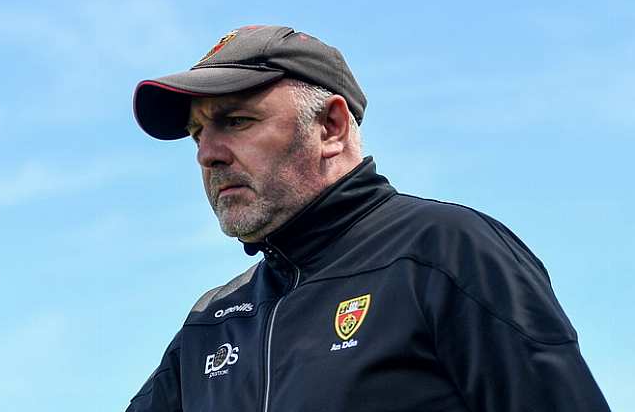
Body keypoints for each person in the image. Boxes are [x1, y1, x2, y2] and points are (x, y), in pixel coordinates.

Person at [127, 25, 610, 411]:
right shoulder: (214, 320)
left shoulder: (445, 252)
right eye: (196, 133)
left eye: (237, 121)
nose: (207, 154)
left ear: (330, 127)